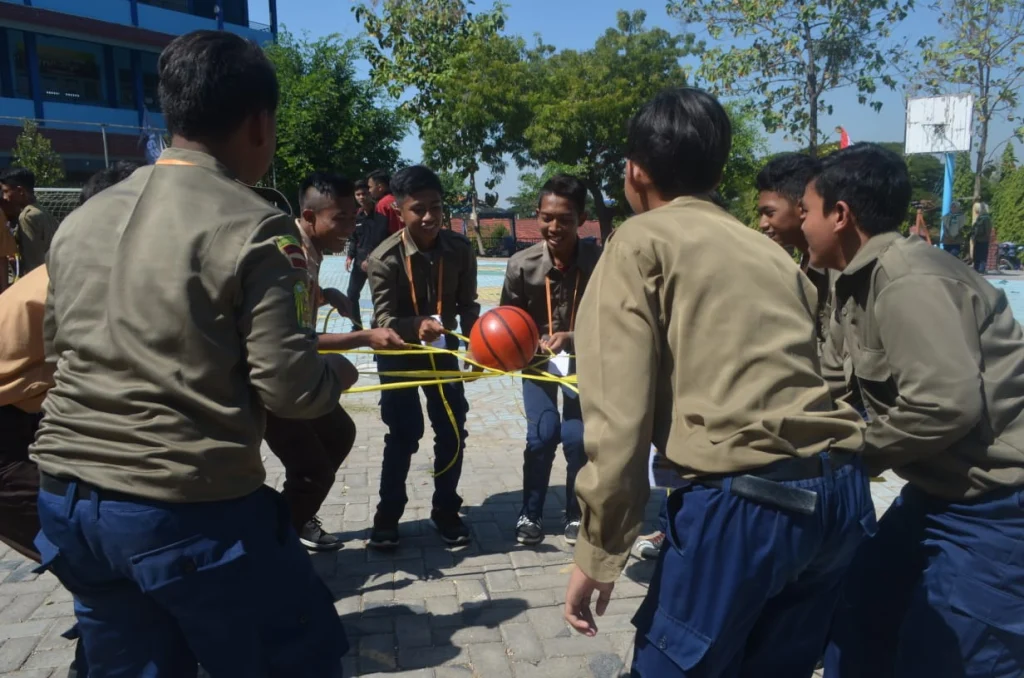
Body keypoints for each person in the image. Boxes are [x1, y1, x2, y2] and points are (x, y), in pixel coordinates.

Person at [30, 30, 357, 677]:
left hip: (68, 500)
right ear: (260, 123)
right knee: (302, 655)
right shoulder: (256, 225)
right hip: (181, 507)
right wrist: (339, 371)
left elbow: (56, 351)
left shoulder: (83, 218)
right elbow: (290, 388)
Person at [562, 87, 872, 677]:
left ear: (634, 172)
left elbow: (617, 419)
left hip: (749, 511)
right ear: (716, 170)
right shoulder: (772, 254)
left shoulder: (638, 243)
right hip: (840, 499)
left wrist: (599, 552)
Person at [799, 144, 1024, 678]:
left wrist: (853, 450)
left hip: (1000, 506)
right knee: (860, 614)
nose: (800, 225)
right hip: (936, 496)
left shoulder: (909, 280)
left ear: (840, 214)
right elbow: (835, 388)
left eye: (805, 211)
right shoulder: (851, 285)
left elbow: (945, 406)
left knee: (954, 656)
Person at [0, 161, 139, 678]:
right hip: (7, 443)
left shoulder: (77, 267)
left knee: (105, 570)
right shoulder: (82, 277)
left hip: (26, 425)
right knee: (105, 570)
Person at [264, 171, 404, 552]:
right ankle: (272, 545)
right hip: (273, 382)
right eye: (339, 218)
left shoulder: (306, 252)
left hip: (294, 372)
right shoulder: (286, 254)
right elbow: (288, 339)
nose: (351, 226)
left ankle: (296, 516)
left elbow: (297, 310)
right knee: (313, 468)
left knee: (339, 434)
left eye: (352, 216)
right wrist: (363, 337)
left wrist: (324, 293)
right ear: (309, 218)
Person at [366, 165, 480, 548]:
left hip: (442, 353)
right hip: (397, 351)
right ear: (399, 211)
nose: (430, 216)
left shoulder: (460, 250)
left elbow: (468, 305)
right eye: (419, 209)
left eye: (436, 207)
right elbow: (383, 319)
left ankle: (446, 509)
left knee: (452, 430)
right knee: (404, 432)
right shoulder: (384, 258)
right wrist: (416, 325)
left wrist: (477, 348)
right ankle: (388, 515)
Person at [499, 174, 600, 546]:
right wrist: (524, 343)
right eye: (546, 217)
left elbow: (616, 323)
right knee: (542, 436)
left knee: (577, 440)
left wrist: (572, 338)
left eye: (565, 219)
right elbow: (506, 322)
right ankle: (531, 511)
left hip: (585, 363)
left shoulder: (601, 263)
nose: (554, 227)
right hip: (538, 365)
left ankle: (576, 511)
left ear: (582, 218)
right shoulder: (520, 265)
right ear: (537, 214)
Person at [756, 153, 835, 351]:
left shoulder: (836, 266)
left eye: (770, 213)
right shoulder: (803, 262)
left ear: (801, 207)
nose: (762, 224)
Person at [345, 179, 388, 329]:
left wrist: (370, 258)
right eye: (358, 194)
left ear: (369, 194)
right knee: (351, 294)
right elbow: (353, 238)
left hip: (376, 263)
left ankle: (377, 327)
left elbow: (381, 239)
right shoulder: (357, 217)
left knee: (378, 298)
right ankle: (356, 326)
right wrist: (350, 256)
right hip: (359, 263)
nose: (361, 197)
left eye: (364, 193)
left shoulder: (380, 216)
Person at [0, 167, 58, 275]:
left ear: (20, 191)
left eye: (6, 191)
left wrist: (14, 263)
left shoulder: (27, 217)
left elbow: (32, 263)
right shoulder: (42, 211)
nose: (4, 197)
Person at [368, 169, 403, 235]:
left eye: (370, 187)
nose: (369, 190)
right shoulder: (401, 199)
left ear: (380, 187)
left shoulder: (383, 204)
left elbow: (380, 232)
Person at [970, 201, 992, 273]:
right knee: (983, 255)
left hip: (977, 239)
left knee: (976, 255)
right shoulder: (987, 218)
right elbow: (988, 230)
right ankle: (982, 269)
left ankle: (976, 268)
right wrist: (988, 237)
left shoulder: (979, 218)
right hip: (984, 239)